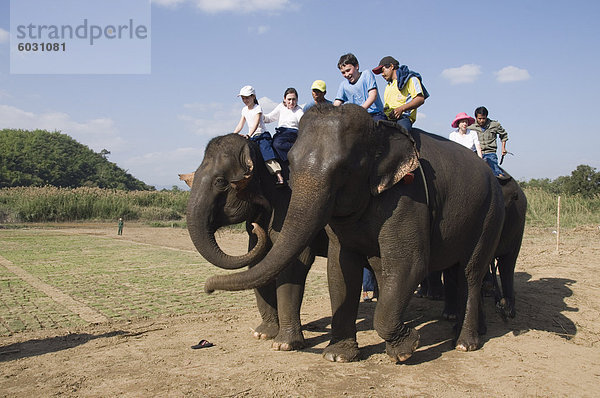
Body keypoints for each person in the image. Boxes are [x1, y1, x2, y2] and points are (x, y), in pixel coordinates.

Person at [233, 85, 285, 186]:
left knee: (267, 155)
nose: (245, 100)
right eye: (243, 98)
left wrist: (248, 135)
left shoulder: (257, 108)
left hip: (261, 136)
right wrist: (233, 134)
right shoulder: (244, 110)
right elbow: (240, 124)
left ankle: (279, 176)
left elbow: (256, 123)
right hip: (252, 138)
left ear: (253, 97)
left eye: (247, 97)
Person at [372, 56, 429, 132]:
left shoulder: (410, 79)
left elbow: (420, 99)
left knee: (400, 137)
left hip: (404, 118)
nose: (382, 74)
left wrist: (401, 109)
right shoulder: (388, 87)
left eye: (383, 70)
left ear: (391, 66)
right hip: (390, 119)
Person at [333, 53, 386, 121]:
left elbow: (373, 96)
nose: (346, 74)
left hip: (375, 114)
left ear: (357, 66)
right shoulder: (343, 85)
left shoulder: (366, 74)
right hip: (358, 118)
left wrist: (359, 111)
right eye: (343, 72)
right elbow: (337, 103)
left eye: (348, 70)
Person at [263, 87, 304, 162]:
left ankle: (297, 149)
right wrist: (260, 116)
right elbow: (269, 118)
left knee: (277, 144)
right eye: (289, 99)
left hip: (292, 133)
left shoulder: (299, 111)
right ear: (284, 99)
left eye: (294, 99)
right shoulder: (281, 107)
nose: (291, 102)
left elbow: (303, 123)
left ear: (297, 100)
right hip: (281, 133)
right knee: (270, 145)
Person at [468, 106, 509, 179]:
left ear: (486, 116)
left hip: (490, 152)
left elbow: (504, 135)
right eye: (479, 118)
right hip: (476, 153)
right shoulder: (471, 127)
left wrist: (503, 148)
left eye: (483, 118)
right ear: (476, 117)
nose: (481, 120)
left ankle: (502, 185)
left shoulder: (494, 125)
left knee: (496, 171)